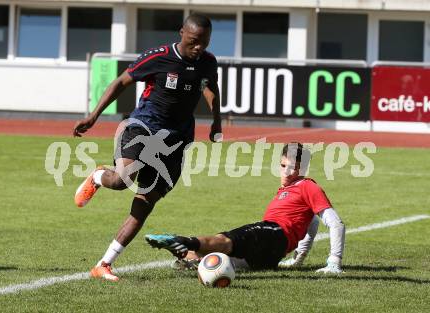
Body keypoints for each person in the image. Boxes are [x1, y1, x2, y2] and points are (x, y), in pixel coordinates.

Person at [72, 14, 222, 282]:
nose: (199, 47)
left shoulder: (208, 62)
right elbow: (120, 82)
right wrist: (93, 116)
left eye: (205, 42)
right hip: (144, 126)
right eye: (194, 41)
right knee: (121, 181)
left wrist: (217, 122)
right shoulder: (159, 56)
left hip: (176, 140)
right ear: (182, 33)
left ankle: (103, 264)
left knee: (145, 203)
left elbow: (210, 87)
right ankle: (98, 176)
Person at [145, 143, 346, 273]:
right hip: (270, 256)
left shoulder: (307, 186)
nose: (286, 172)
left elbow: (336, 223)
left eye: (292, 167)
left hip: (273, 233)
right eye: (283, 165)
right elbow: (311, 223)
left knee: (224, 241)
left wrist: (334, 262)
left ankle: (180, 240)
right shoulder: (289, 189)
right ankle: (183, 254)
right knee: (212, 260)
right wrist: (298, 260)